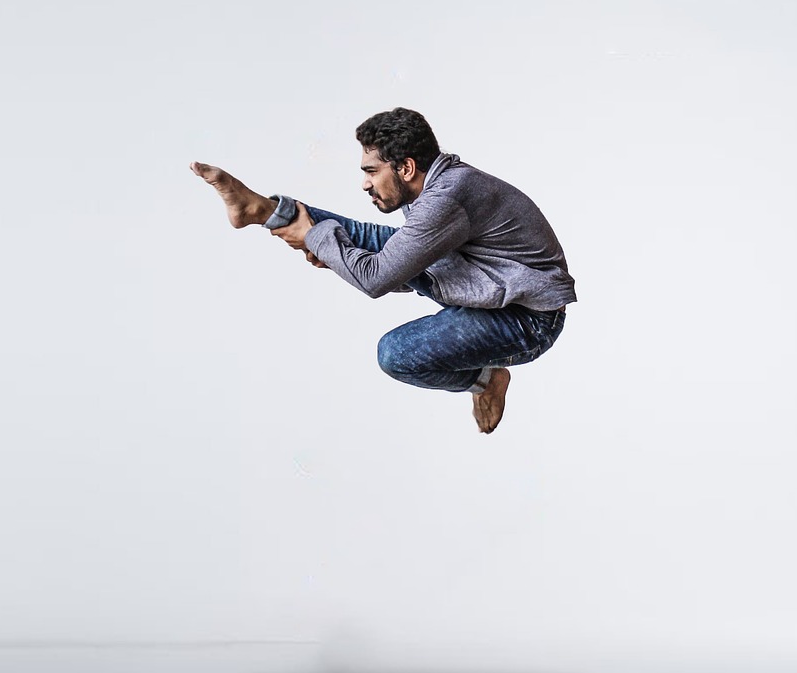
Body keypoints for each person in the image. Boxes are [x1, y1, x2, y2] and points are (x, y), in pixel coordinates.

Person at [190, 107, 575, 433]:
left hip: (526, 321)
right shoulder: (435, 187)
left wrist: (325, 243)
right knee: (370, 241)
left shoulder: (447, 198)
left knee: (396, 354)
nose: (365, 183)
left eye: (372, 171)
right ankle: (261, 209)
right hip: (486, 282)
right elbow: (394, 267)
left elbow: (375, 280)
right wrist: (335, 250)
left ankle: (488, 378)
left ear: (406, 167)